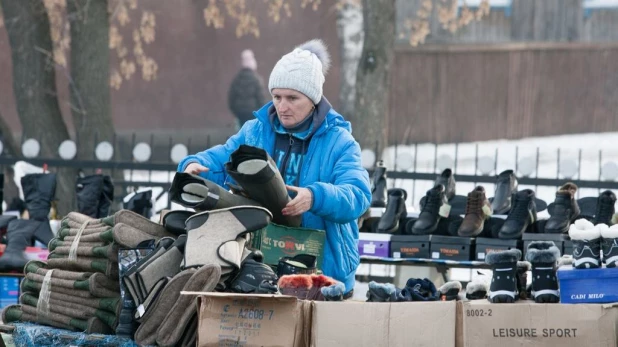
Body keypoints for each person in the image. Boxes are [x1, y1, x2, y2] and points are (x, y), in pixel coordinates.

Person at [179, 39, 371, 297]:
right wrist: (193, 164)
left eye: (292, 98)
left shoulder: (341, 142)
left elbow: (358, 195)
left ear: (313, 99)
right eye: (277, 96)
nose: (282, 106)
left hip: (325, 275)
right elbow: (223, 158)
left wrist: (315, 197)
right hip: (261, 268)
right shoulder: (255, 130)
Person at [227, 49, 266, 129]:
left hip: (240, 113)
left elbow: (231, 98)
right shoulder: (256, 79)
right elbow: (261, 98)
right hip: (253, 112)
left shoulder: (236, 79)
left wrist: (236, 111)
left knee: (242, 132)